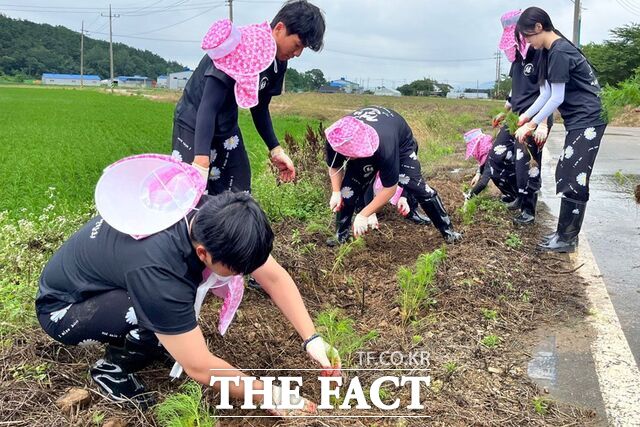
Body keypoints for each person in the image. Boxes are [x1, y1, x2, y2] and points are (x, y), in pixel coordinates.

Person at [36, 156, 339, 416]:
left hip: (107, 283)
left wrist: (312, 339)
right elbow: (199, 367)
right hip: (65, 309)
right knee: (155, 309)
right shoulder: (159, 271)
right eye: (236, 272)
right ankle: (112, 370)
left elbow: (273, 276)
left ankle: (153, 339)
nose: (241, 277)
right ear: (203, 254)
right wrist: (271, 395)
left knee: (168, 311)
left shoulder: (212, 215)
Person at [171, 0, 325, 194]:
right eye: (297, 44)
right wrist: (201, 160)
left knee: (238, 191)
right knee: (191, 195)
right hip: (195, 123)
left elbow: (260, 107)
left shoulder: (277, 61)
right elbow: (208, 106)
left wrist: (276, 149)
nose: (298, 53)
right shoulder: (238, 47)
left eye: (303, 48)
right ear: (279, 28)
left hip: (226, 124)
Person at [514, 7, 607, 252]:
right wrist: (526, 115)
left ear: (538, 27)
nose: (528, 43)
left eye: (528, 37)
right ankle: (563, 235)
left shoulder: (560, 51)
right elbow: (545, 93)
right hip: (578, 120)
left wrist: (533, 124)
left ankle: (567, 238)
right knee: (566, 170)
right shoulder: (547, 51)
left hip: (589, 118)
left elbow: (556, 98)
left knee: (574, 175)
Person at [325, 106, 462, 245]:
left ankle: (448, 232)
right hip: (372, 139)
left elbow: (389, 189)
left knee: (417, 186)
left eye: (353, 153)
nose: (349, 157)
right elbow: (334, 166)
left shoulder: (386, 147)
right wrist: (336, 192)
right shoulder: (336, 136)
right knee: (347, 190)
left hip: (400, 146)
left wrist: (363, 214)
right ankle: (340, 236)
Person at [492, 9, 553, 226]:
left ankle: (528, 209)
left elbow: (549, 92)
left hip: (535, 118)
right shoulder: (517, 56)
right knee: (496, 157)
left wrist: (543, 123)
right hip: (515, 117)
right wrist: (504, 111)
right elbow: (515, 90)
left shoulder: (540, 54)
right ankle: (516, 194)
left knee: (525, 163)